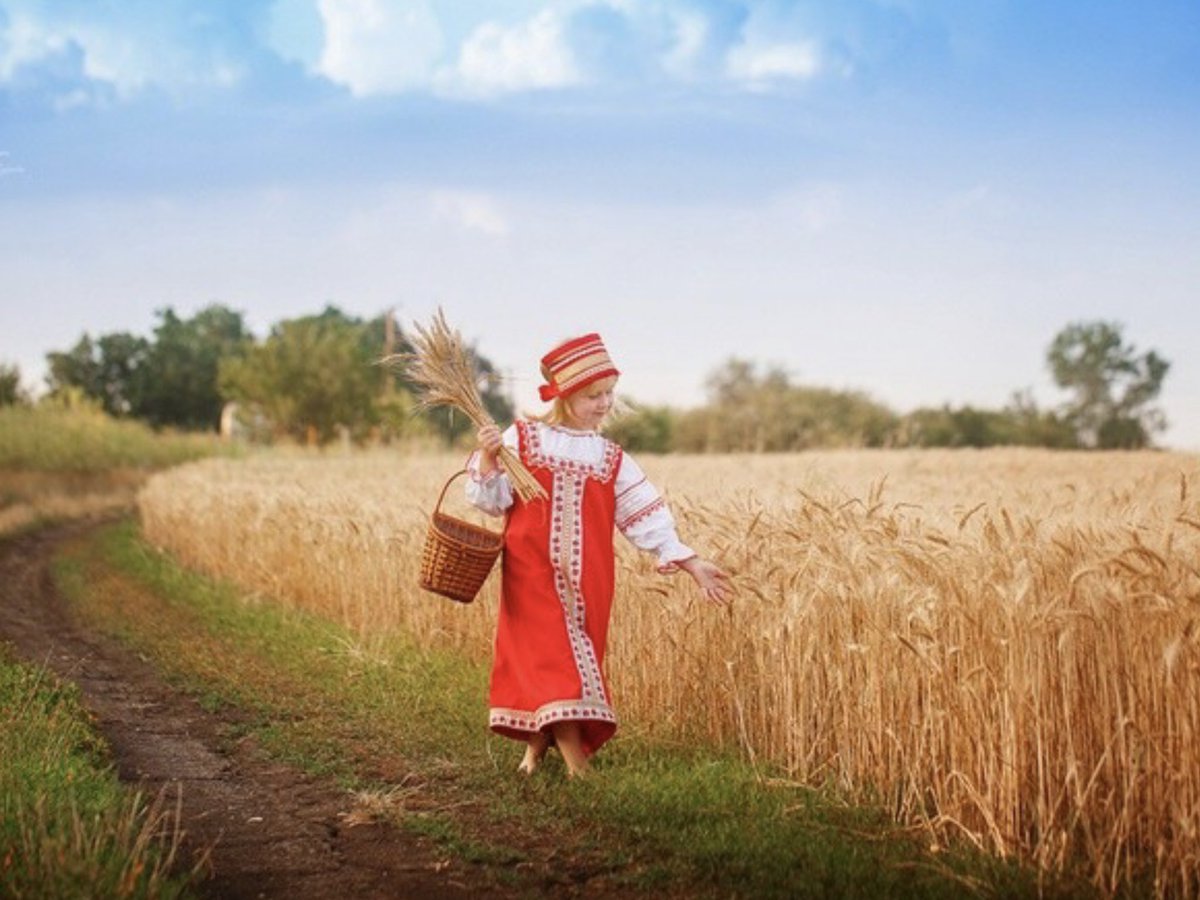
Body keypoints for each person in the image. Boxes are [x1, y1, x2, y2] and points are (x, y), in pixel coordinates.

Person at [467, 332, 731, 778]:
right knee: (554, 659)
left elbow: (644, 515)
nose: (605, 403)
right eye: (593, 395)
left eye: (609, 393)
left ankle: (535, 750)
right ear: (565, 395)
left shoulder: (610, 458)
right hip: (530, 572)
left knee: (566, 660)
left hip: (590, 579)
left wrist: (690, 562)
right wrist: (491, 460)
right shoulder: (524, 439)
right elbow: (490, 502)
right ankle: (578, 766)